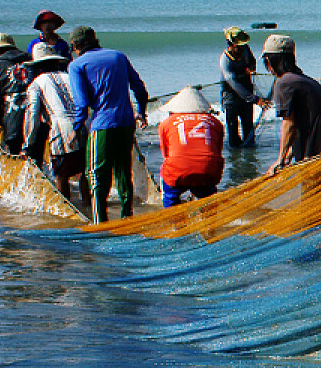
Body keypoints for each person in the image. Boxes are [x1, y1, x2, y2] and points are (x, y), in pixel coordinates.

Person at [67, 25, 150, 222]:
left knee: (96, 175)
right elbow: (139, 88)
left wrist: (76, 127)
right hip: (126, 122)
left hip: (102, 125)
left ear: (75, 45)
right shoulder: (118, 56)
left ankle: (100, 222)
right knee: (123, 171)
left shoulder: (77, 66)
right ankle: (126, 217)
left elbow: (82, 103)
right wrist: (142, 113)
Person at [263, 35, 321, 172]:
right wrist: (289, 154)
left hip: (317, 156)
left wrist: (280, 159)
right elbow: (304, 118)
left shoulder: (284, 82)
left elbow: (289, 124)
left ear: (268, 60)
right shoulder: (302, 80)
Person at [20, 43, 83, 202]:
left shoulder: (36, 84)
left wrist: (29, 143)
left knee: (61, 174)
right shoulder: (69, 76)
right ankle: (90, 206)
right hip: (83, 125)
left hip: (61, 130)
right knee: (84, 170)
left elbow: (32, 116)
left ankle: (68, 209)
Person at [157, 86, 225, 205]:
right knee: (207, 196)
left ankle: (171, 213)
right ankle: (209, 216)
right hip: (209, 171)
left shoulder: (166, 124)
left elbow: (165, 155)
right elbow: (217, 152)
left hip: (177, 172)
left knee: (169, 194)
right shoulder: (216, 123)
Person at [219, 26, 269, 148]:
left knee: (248, 128)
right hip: (231, 94)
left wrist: (251, 67)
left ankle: (249, 161)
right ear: (230, 44)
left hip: (247, 88)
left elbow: (252, 60)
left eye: (242, 46)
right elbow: (233, 83)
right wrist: (255, 99)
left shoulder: (245, 49)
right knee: (233, 130)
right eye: (238, 47)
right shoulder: (225, 60)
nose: (241, 49)